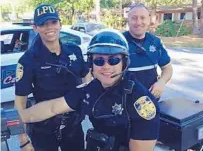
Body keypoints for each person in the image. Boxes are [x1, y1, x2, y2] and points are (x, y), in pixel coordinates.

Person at [19, 30, 160, 151]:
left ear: (124, 62)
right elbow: (52, 108)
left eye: (113, 60)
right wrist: (18, 118)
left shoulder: (140, 101)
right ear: (90, 63)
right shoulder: (90, 90)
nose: (106, 67)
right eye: (99, 61)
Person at [15, 3, 91, 151]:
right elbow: (20, 103)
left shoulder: (74, 51)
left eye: (53, 22)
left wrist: (85, 99)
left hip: (73, 127)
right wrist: (23, 140)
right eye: (43, 24)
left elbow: (86, 75)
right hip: (43, 130)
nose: (49, 27)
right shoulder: (28, 60)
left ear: (60, 24)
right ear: (35, 28)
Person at [123, 2, 173, 99]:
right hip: (124, 101)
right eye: (134, 18)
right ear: (128, 21)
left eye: (142, 18)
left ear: (149, 20)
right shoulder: (119, 42)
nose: (138, 22)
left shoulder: (156, 42)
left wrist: (161, 82)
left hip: (150, 101)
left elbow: (167, 68)